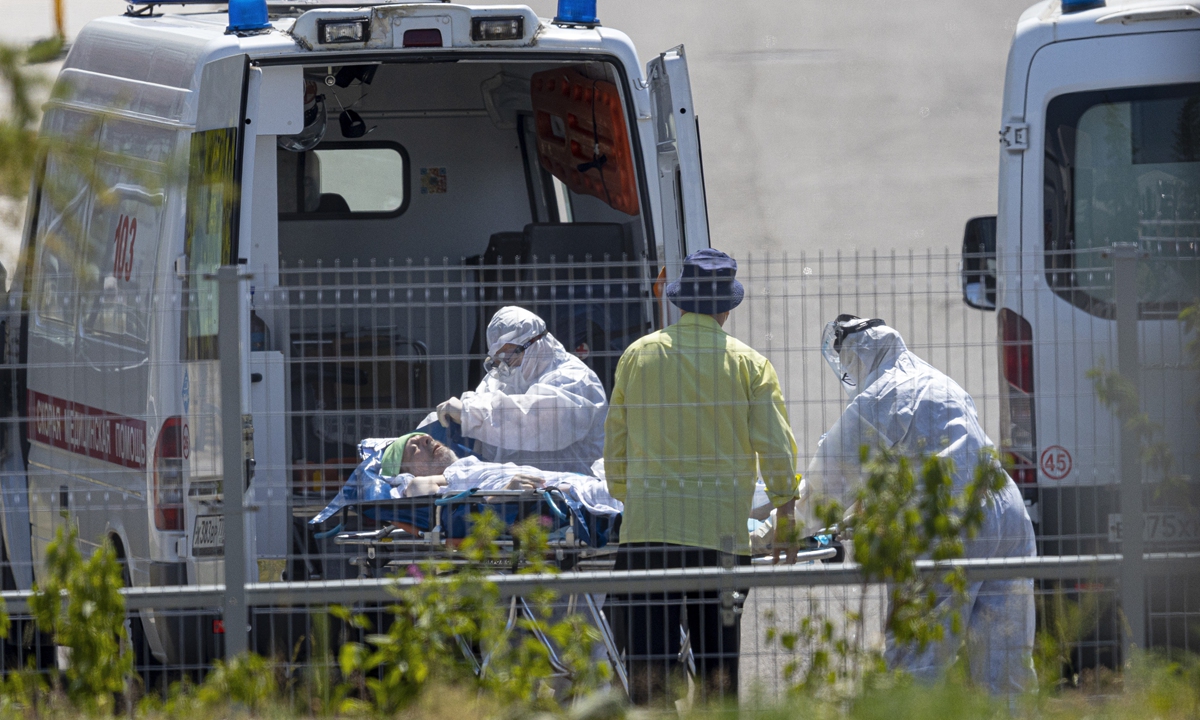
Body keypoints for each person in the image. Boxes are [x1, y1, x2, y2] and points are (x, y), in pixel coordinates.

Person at [799, 314, 1037, 695]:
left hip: (949, 528)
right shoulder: (939, 381)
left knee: (915, 668)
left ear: (858, 358)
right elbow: (934, 459)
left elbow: (823, 487)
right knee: (1006, 670)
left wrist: (776, 530)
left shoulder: (876, 399)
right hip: (1006, 514)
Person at [603, 248, 800, 704]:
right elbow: (775, 445)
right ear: (727, 308)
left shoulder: (638, 356)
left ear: (681, 302)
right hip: (722, 538)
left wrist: (628, 496)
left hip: (649, 536)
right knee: (719, 667)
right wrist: (786, 511)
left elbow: (616, 443)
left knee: (649, 669)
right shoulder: (750, 364)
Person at [428, 306, 607, 476]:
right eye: (498, 359)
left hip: (570, 492)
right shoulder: (501, 377)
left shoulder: (576, 378)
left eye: (509, 356)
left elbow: (535, 420)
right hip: (511, 491)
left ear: (537, 343)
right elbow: (474, 408)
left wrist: (470, 414)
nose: (504, 366)